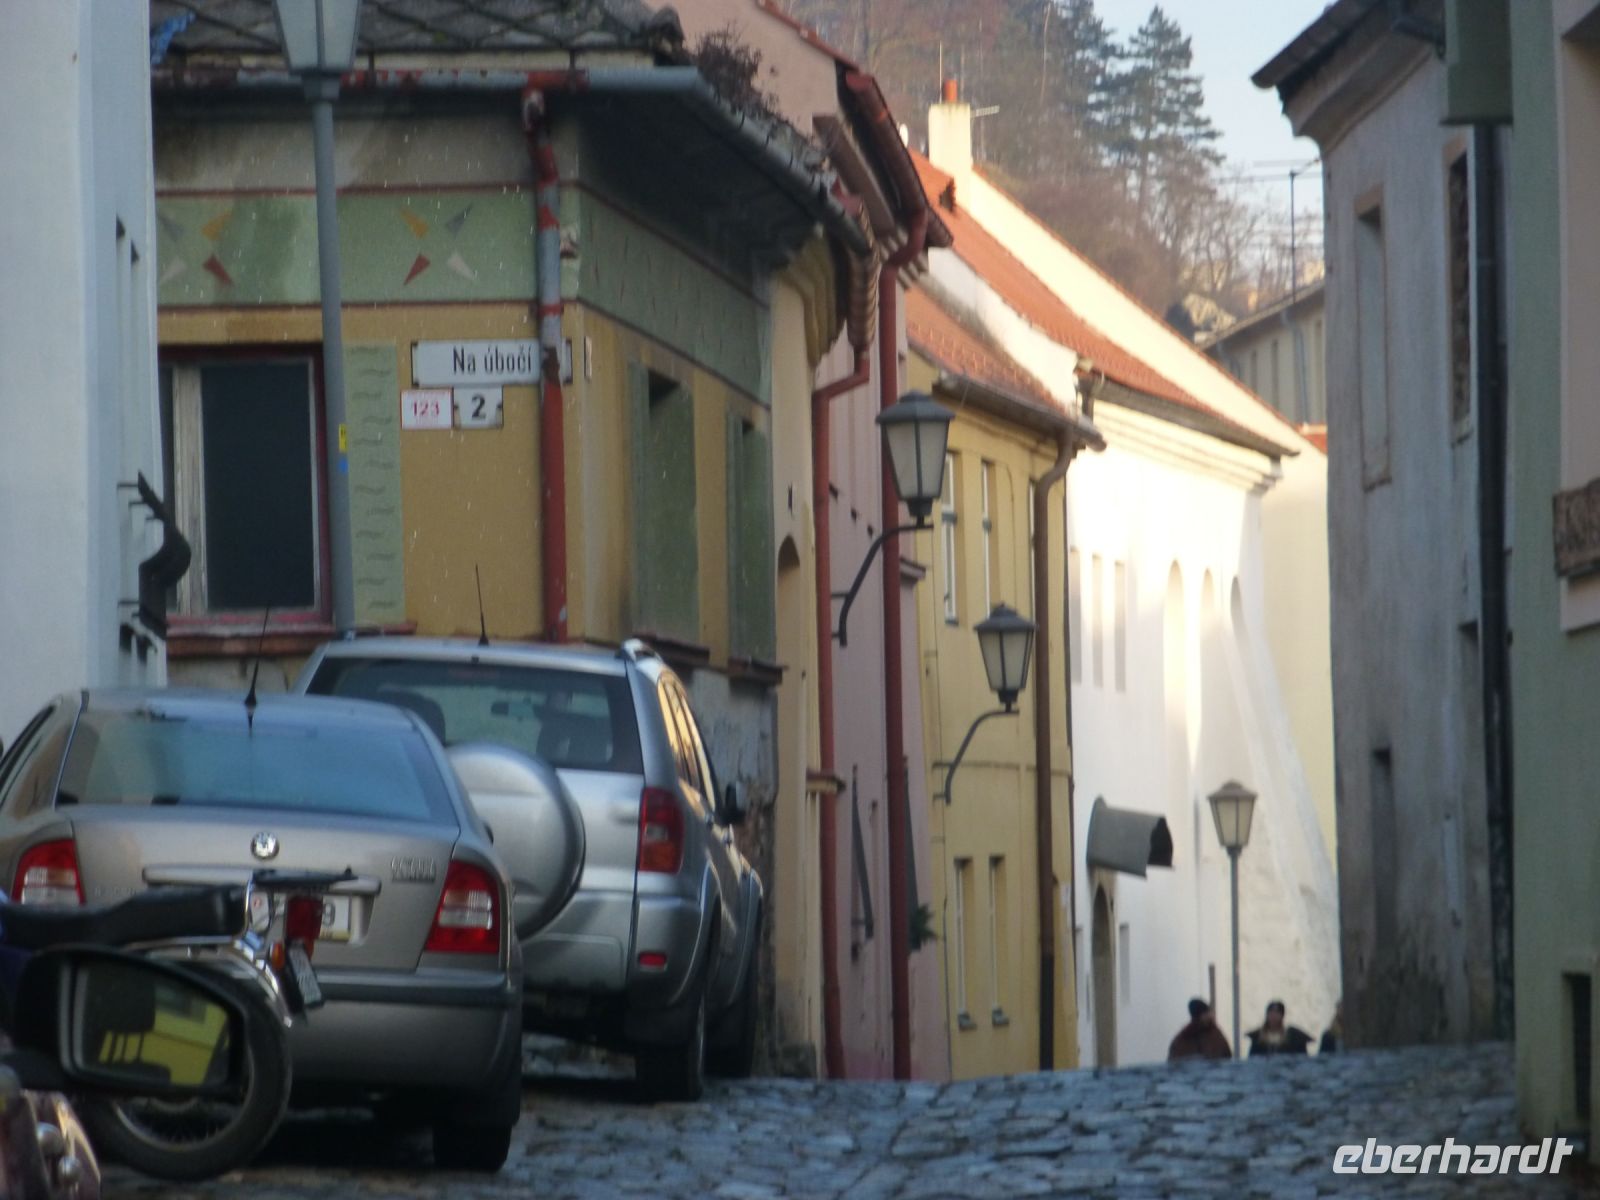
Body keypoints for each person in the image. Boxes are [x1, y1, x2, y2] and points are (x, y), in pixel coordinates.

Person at [1168, 997, 1232, 1061]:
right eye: (1207, 1013)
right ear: (1201, 1016)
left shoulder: (1215, 1033)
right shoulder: (1183, 1039)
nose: (1211, 1015)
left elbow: (1227, 1055)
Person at [1246, 999, 1313, 1057]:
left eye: (1277, 1012)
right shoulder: (1258, 1037)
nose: (1273, 1016)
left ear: (1282, 1015)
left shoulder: (1293, 1036)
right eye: (1271, 1012)